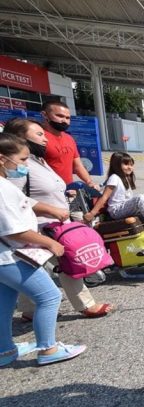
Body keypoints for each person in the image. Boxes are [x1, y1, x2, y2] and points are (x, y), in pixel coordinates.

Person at [4, 118, 113, 320]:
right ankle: (83, 306)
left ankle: (29, 309)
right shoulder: (19, 165)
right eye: (39, 134)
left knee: (33, 267)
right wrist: (51, 209)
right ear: (20, 138)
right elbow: (14, 197)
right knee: (67, 261)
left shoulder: (37, 161)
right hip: (39, 226)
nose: (45, 139)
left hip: (53, 223)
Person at [0, 133, 86, 366]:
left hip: (4, 259)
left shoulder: (5, 185)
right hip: (10, 256)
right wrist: (49, 243)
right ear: (2, 159)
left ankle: (4, 350)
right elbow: (11, 230)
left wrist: (52, 210)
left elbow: (27, 204)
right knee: (49, 296)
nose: (25, 165)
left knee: (5, 303)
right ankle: (48, 349)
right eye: (22, 159)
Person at [84, 152, 144, 232]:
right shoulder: (114, 177)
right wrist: (92, 214)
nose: (130, 167)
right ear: (116, 165)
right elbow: (104, 197)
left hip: (124, 207)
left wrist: (98, 186)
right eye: (126, 164)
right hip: (116, 210)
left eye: (131, 165)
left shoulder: (126, 177)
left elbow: (103, 185)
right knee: (140, 198)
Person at [40, 101, 99, 189]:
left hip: (68, 190)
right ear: (45, 115)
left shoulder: (69, 138)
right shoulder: (39, 137)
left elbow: (78, 166)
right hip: (48, 191)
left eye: (68, 118)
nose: (64, 121)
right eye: (59, 116)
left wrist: (89, 182)